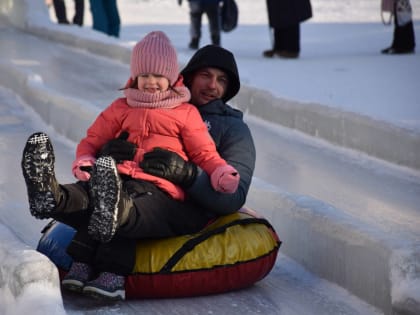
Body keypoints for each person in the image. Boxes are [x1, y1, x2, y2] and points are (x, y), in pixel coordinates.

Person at [21, 32, 240, 301]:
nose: (151, 82)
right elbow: (93, 140)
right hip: (115, 177)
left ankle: (112, 273)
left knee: (122, 206)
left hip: (157, 188)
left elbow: (204, 153)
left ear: (172, 78)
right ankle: (49, 196)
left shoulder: (185, 113)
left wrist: (221, 172)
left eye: (158, 76)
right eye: (144, 75)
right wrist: (87, 161)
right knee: (88, 191)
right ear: (134, 77)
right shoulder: (121, 107)